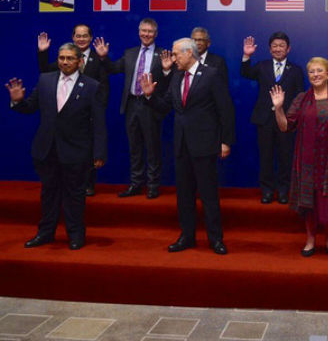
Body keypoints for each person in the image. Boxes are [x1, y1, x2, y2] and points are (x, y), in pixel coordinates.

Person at [6, 43, 107, 250]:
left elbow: (98, 123)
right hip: (47, 149)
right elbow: (30, 107)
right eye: (61, 58)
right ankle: (45, 233)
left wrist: (99, 153)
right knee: (48, 194)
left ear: (79, 61)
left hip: (76, 151)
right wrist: (18, 102)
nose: (65, 62)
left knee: (74, 196)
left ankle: (75, 235)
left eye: (70, 58)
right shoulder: (45, 80)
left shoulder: (92, 86)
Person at [140, 38, 235, 254]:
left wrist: (225, 141)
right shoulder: (176, 76)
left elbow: (226, 110)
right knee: (184, 196)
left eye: (176, 54)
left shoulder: (211, 74)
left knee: (209, 196)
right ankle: (187, 236)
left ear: (189, 53)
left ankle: (215, 239)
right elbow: (165, 106)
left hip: (205, 145)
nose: (173, 59)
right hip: (182, 145)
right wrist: (149, 95)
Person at [270, 57, 328, 257]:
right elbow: (285, 126)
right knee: (309, 202)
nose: (315, 75)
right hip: (308, 161)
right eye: (311, 72)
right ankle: (310, 240)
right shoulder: (301, 99)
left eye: (319, 71)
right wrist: (279, 108)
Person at [93, 18, 170, 199]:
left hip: (151, 105)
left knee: (152, 148)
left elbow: (170, 84)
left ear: (156, 34)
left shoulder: (163, 54)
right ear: (139, 32)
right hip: (131, 104)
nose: (146, 34)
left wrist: (167, 71)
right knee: (134, 147)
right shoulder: (130, 53)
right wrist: (103, 57)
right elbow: (112, 69)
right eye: (144, 30)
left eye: (150, 31)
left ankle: (153, 186)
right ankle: (136, 184)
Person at [37, 25, 109, 196]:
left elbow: (104, 85)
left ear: (90, 38)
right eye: (78, 36)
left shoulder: (98, 58)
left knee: (87, 150)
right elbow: (46, 72)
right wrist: (43, 53)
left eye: (85, 36)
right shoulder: (65, 57)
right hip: (68, 116)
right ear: (73, 37)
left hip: (89, 112)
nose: (81, 39)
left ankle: (88, 184)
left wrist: (98, 108)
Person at [241, 33, 305, 204]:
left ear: (288, 49)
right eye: (274, 46)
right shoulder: (262, 66)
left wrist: (294, 117)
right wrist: (246, 56)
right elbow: (245, 73)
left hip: (286, 120)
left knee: (285, 157)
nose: (278, 49)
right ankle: (267, 191)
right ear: (270, 49)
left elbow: (300, 96)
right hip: (264, 119)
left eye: (281, 45)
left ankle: (284, 191)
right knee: (266, 157)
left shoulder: (296, 70)